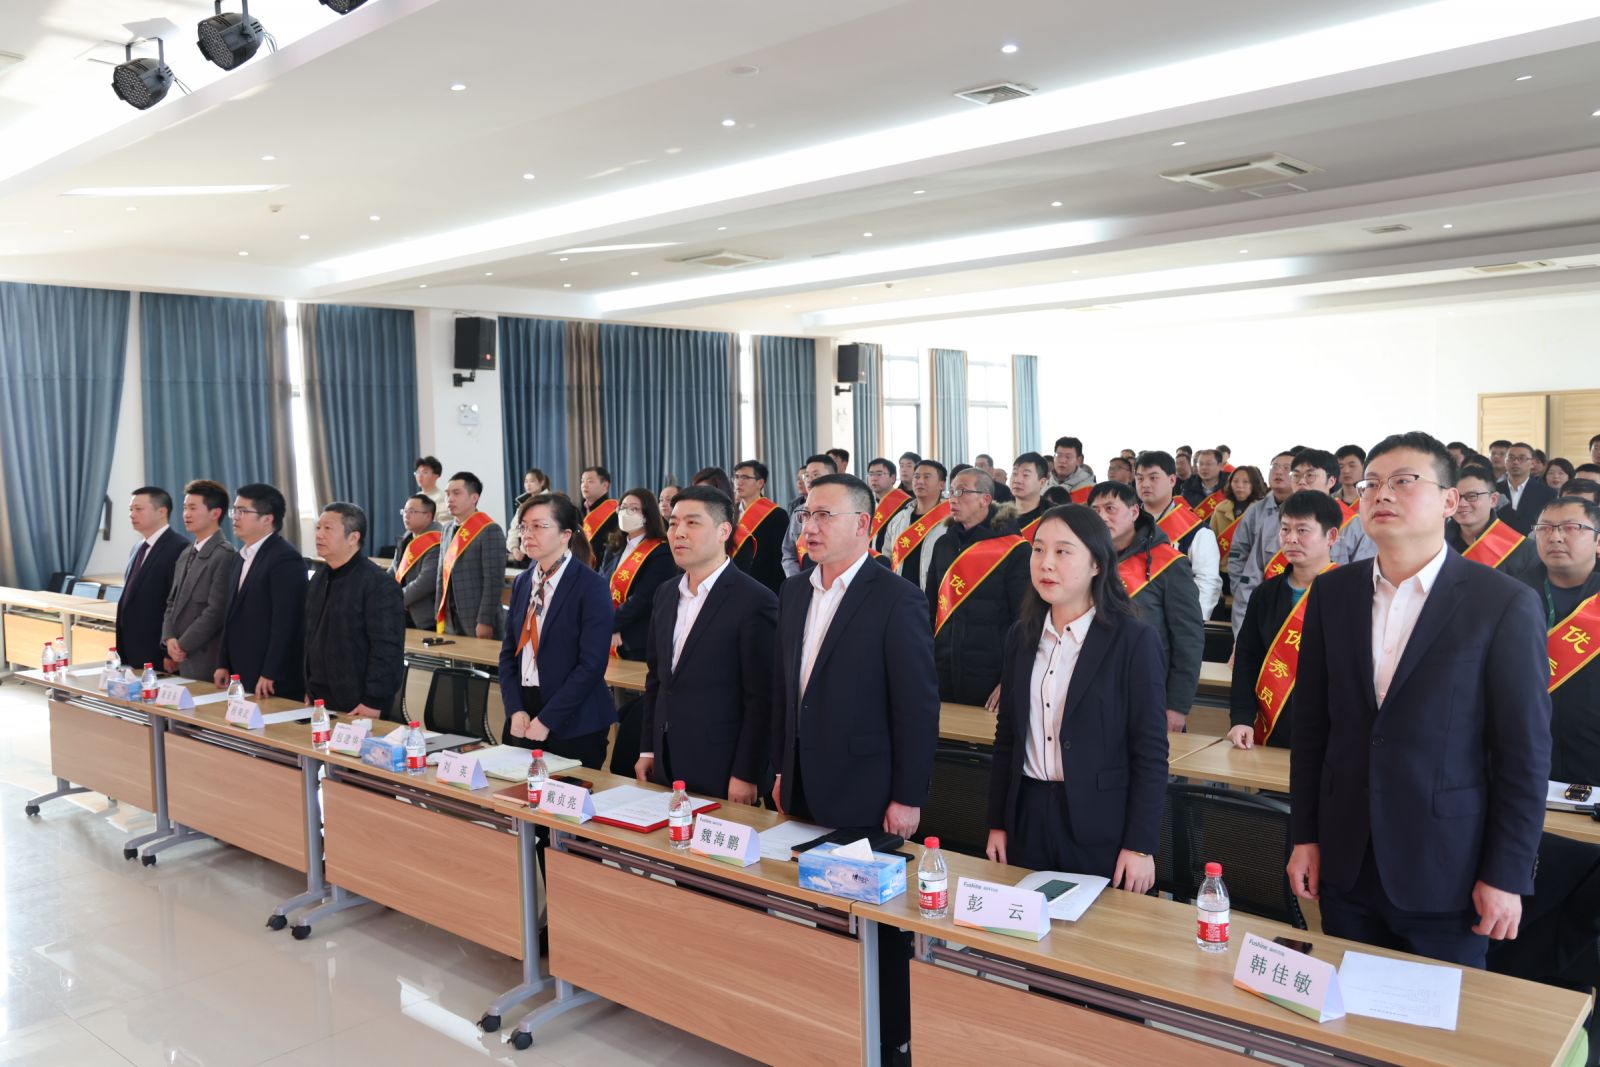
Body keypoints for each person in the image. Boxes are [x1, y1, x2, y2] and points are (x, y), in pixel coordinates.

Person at [1288, 432, 1551, 968]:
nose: (1382, 494)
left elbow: (1523, 754)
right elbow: (1313, 728)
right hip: (1346, 860)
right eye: (1371, 484)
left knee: (1443, 1018)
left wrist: (1506, 874)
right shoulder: (1333, 594)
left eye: (1404, 481)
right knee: (1345, 1010)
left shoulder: (1502, 603)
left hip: (1447, 868)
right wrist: (1304, 836)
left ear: (1450, 501)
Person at [770, 472, 938, 1062]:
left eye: (824, 515)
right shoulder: (794, 591)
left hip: (868, 788)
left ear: (863, 525)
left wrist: (908, 796)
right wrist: (779, 768)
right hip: (803, 780)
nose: (809, 527)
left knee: (877, 924)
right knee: (819, 912)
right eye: (806, 515)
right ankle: (834, 1026)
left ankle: (892, 1039)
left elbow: (917, 707)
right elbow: (786, 691)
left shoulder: (895, 597)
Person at [985, 504, 1167, 892]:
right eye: (1038, 550)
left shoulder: (1133, 640)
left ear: (1097, 564)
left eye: (1063, 551)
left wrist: (1140, 844)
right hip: (1027, 818)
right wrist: (998, 822)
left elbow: (1150, 752)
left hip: (1101, 825)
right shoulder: (1021, 636)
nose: (1046, 563)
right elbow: (1007, 739)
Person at [635, 485, 777, 802]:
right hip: (667, 759)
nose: (679, 533)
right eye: (673, 523)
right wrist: (649, 749)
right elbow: (657, 679)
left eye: (692, 523)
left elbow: (763, 699)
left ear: (723, 531)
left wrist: (747, 773)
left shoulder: (755, 600)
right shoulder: (666, 593)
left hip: (723, 766)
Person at [497, 493, 615, 767]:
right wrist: (515, 708)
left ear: (565, 535)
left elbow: (592, 665)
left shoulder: (591, 586)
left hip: (575, 720)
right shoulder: (523, 582)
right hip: (525, 714)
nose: (528, 534)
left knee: (567, 793)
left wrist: (548, 719)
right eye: (524, 526)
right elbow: (508, 654)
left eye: (539, 526)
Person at [1228, 491, 1342, 750]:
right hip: (1272, 724)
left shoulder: (1351, 593)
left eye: (1302, 530)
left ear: (1331, 536)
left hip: (1331, 730)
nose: (1291, 538)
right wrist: (1241, 718)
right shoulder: (1265, 594)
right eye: (1285, 529)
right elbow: (1247, 658)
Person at [1088, 481, 1203, 733]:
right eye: (1095, 511)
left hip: (1149, 690)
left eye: (1110, 508)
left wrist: (1177, 705)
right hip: (1093, 689)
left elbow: (1188, 639)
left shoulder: (1169, 563)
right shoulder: (1085, 559)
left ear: (1133, 512)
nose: (1102, 517)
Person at [924, 468, 1029, 710]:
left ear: (985, 499)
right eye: (951, 491)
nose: (953, 498)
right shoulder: (944, 544)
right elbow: (930, 608)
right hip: (942, 669)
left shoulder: (1015, 550)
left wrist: (1012, 677)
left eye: (962, 491)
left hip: (991, 674)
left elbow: (1024, 620)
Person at [1520, 496, 1600, 785]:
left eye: (1571, 527)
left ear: (1598, 541)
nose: (1554, 536)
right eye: (1544, 528)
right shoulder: (1509, 595)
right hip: (1526, 759)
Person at [304, 503, 405, 719]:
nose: (319, 534)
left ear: (353, 538)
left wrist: (373, 701)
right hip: (319, 696)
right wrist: (309, 688)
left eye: (328, 529)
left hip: (359, 702)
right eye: (318, 528)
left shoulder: (378, 584)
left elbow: (387, 649)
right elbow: (310, 636)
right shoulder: (319, 578)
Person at [213, 483, 305, 700]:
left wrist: (271, 671)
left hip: (268, 675)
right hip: (240, 668)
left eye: (243, 511)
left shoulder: (285, 559)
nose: (235, 517)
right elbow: (230, 615)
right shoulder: (240, 557)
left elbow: (287, 622)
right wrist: (223, 662)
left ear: (267, 519)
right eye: (234, 511)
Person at [161, 479, 237, 681]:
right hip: (180, 653)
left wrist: (182, 645)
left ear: (215, 513)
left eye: (193, 508)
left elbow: (216, 611)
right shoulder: (186, 552)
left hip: (205, 656)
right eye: (185, 508)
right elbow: (171, 602)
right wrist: (169, 638)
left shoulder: (224, 554)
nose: (186, 514)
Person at [1135, 451, 1221, 619]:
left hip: (1175, 618)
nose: (1145, 484)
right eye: (1139, 478)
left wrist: (1191, 622)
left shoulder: (1196, 531)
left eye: (1153, 478)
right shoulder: (1126, 523)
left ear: (1172, 480)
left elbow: (1207, 583)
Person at [115, 486, 188, 672]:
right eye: (131, 509)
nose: (132, 514)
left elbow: (177, 604)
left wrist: (167, 651)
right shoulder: (138, 547)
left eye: (139, 509)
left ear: (162, 511)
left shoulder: (179, 547)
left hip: (157, 649)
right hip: (131, 646)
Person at [599, 489, 675, 660]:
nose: (626, 512)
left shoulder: (661, 551)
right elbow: (601, 588)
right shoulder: (613, 547)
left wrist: (610, 624)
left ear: (647, 515)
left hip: (637, 640)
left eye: (633, 508)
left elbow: (644, 598)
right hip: (607, 635)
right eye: (623, 507)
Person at [1228, 450, 1297, 636]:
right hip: (1256, 593)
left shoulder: (1308, 513)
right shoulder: (1255, 510)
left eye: (1286, 468)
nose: (1278, 472)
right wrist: (1240, 587)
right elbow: (1238, 552)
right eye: (1275, 467)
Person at [434, 471, 508, 639]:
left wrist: (485, 620)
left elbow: (494, 581)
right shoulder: (447, 529)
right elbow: (441, 575)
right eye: (447, 494)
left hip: (476, 618)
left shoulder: (489, 529)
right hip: (450, 616)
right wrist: (439, 611)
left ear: (474, 498)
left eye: (456, 493)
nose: (449, 499)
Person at [1446, 464, 1540, 583]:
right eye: (1456, 497)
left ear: (1493, 500)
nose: (1461, 504)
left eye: (1472, 496)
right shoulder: (1436, 543)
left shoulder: (1524, 550)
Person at [1289, 448, 1375, 565]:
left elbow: (1364, 570)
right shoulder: (1277, 520)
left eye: (1310, 475)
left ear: (1331, 481)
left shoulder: (1354, 525)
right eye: (1296, 475)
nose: (1301, 481)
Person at [881, 459, 950, 593]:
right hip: (900, 593)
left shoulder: (951, 520)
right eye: (917, 477)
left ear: (941, 484)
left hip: (934, 594)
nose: (920, 481)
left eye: (927, 477)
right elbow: (887, 556)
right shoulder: (899, 519)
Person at [730, 460, 790, 593]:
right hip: (731, 582)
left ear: (760, 483)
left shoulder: (777, 515)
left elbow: (778, 559)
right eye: (736, 477)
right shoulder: (729, 512)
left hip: (761, 585)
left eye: (745, 477)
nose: (739, 482)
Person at [1212, 465, 1265, 615]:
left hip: (1252, 571)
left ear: (1254, 484)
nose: (1240, 486)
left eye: (1246, 482)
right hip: (1224, 571)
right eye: (1235, 481)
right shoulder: (1220, 509)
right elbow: (1212, 544)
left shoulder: (1263, 510)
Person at [391, 493, 443, 628]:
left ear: (428, 516)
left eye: (412, 512)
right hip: (399, 610)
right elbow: (393, 571)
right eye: (405, 511)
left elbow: (425, 582)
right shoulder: (407, 538)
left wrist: (395, 599)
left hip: (423, 615)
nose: (406, 515)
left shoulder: (436, 541)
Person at [781, 454, 838, 577]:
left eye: (816, 475)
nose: (809, 480)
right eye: (806, 475)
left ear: (833, 477)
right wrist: (796, 578)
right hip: (803, 580)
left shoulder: (841, 510)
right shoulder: (798, 512)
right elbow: (789, 552)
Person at [1496, 442, 1557, 536]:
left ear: (1532, 463)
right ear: (1505, 461)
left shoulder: (1547, 493)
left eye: (1522, 458)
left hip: (1532, 542)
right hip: (1497, 540)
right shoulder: (1493, 490)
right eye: (1511, 458)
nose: (1515, 462)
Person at [865, 457, 911, 554]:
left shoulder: (906, 504)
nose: (874, 478)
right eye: (871, 474)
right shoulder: (867, 503)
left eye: (879, 474)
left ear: (893, 478)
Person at [1009, 452, 1050, 537]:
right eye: (1015, 473)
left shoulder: (1051, 517)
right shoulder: (999, 515)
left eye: (1025, 475)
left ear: (1042, 482)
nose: (1017, 480)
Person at [578, 465, 619, 547]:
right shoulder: (578, 511)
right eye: (582, 481)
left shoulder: (615, 511)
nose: (584, 485)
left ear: (605, 485)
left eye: (590, 481)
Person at [1180, 448, 1226, 514]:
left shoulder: (1230, 485)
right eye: (1200, 464)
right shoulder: (1188, 486)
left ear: (1220, 466)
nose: (1204, 467)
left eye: (1208, 464)